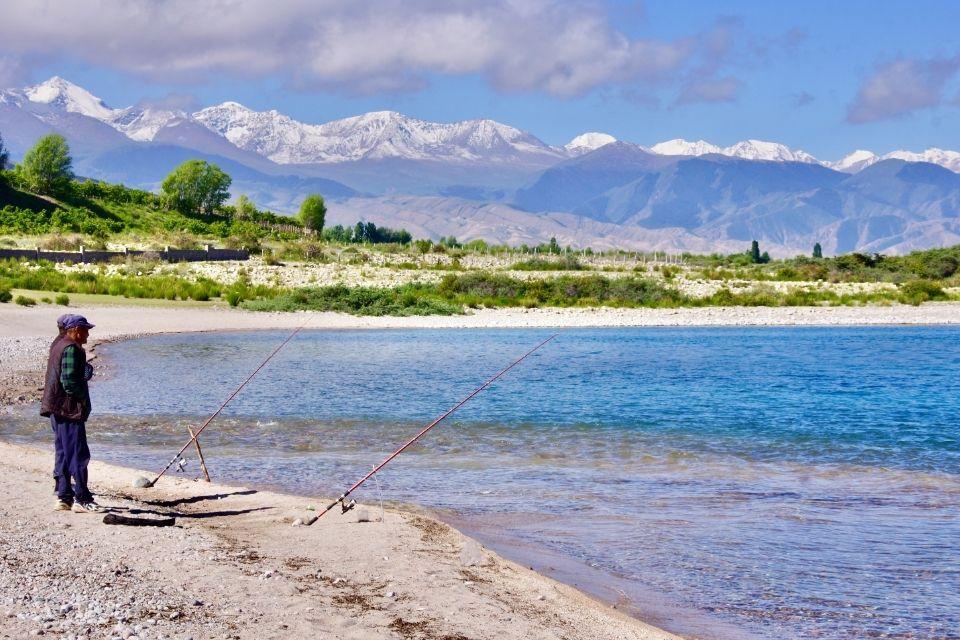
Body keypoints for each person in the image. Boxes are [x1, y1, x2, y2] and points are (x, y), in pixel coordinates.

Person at [41, 315, 102, 513]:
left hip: (56, 408)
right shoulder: (71, 348)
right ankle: (82, 499)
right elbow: (69, 382)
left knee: (63, 453)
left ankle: (64, 497)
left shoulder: (58, 344)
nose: (88, 334)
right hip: (67, 409)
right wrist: (82, 399)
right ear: (75, 329)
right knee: (78, 454)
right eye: (85, 330)